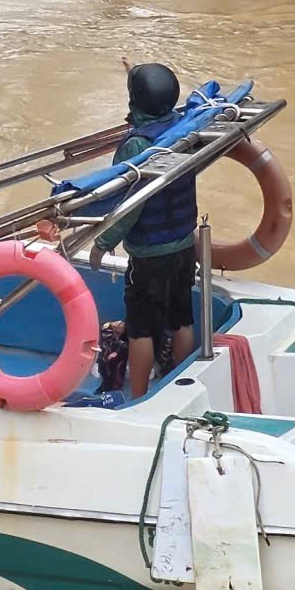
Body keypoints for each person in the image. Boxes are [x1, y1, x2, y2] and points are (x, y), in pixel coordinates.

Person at [88, 62, 205, 399]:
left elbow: (127, 204)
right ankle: (175, 387)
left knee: (140, 329)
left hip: (149, 256)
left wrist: (103, 242)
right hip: (183, 246)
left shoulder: (135, 147)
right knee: (181, 318)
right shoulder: (186, 129)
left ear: (134, 102)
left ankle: (139, 397)